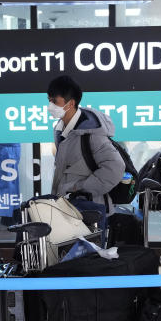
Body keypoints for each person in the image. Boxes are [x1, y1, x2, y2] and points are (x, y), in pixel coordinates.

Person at [46, 75, 123, 237]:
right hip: (70, 210)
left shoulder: (91, 134)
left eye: (55, 101)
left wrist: (80, 187)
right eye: (49, 100)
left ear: (71, 103)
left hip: (90, 211)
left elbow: (115, 168)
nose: (50, 106)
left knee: (89, 260)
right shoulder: (61, 130)